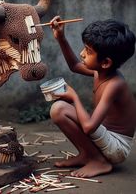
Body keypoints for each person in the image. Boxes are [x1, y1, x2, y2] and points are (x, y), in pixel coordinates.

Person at [49, 16, 136, 177]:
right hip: (104, 137)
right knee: (58, 110)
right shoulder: (100, 72)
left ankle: (98, 161)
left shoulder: (114, 84)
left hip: (116, 147)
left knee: (60, 109)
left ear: (105, 62)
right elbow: (75, 66)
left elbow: (89, 127)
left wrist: (74, 97)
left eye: (88, 51)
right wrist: (61, 38)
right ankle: (87, 155)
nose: (82, 54)